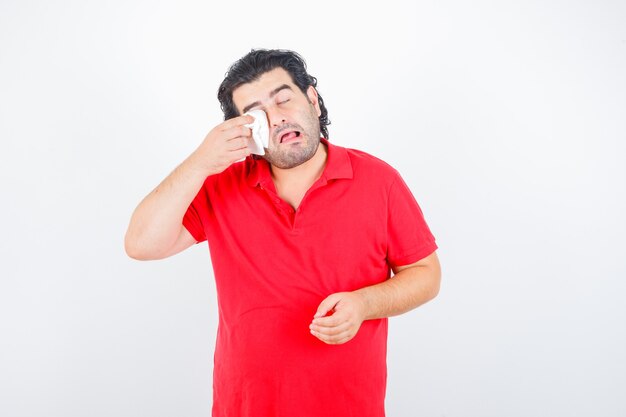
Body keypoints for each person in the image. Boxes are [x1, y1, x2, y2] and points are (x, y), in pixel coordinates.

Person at [125, 49, 441, 417]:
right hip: (243, 407)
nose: (276, 118)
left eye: (284, 99)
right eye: (257, 114)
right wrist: (201, 160)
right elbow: (141, 244)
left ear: (313, 100)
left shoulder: (378, 180)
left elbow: (426, 275)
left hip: (349, 406)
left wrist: (365, 304)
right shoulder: (221, 186)